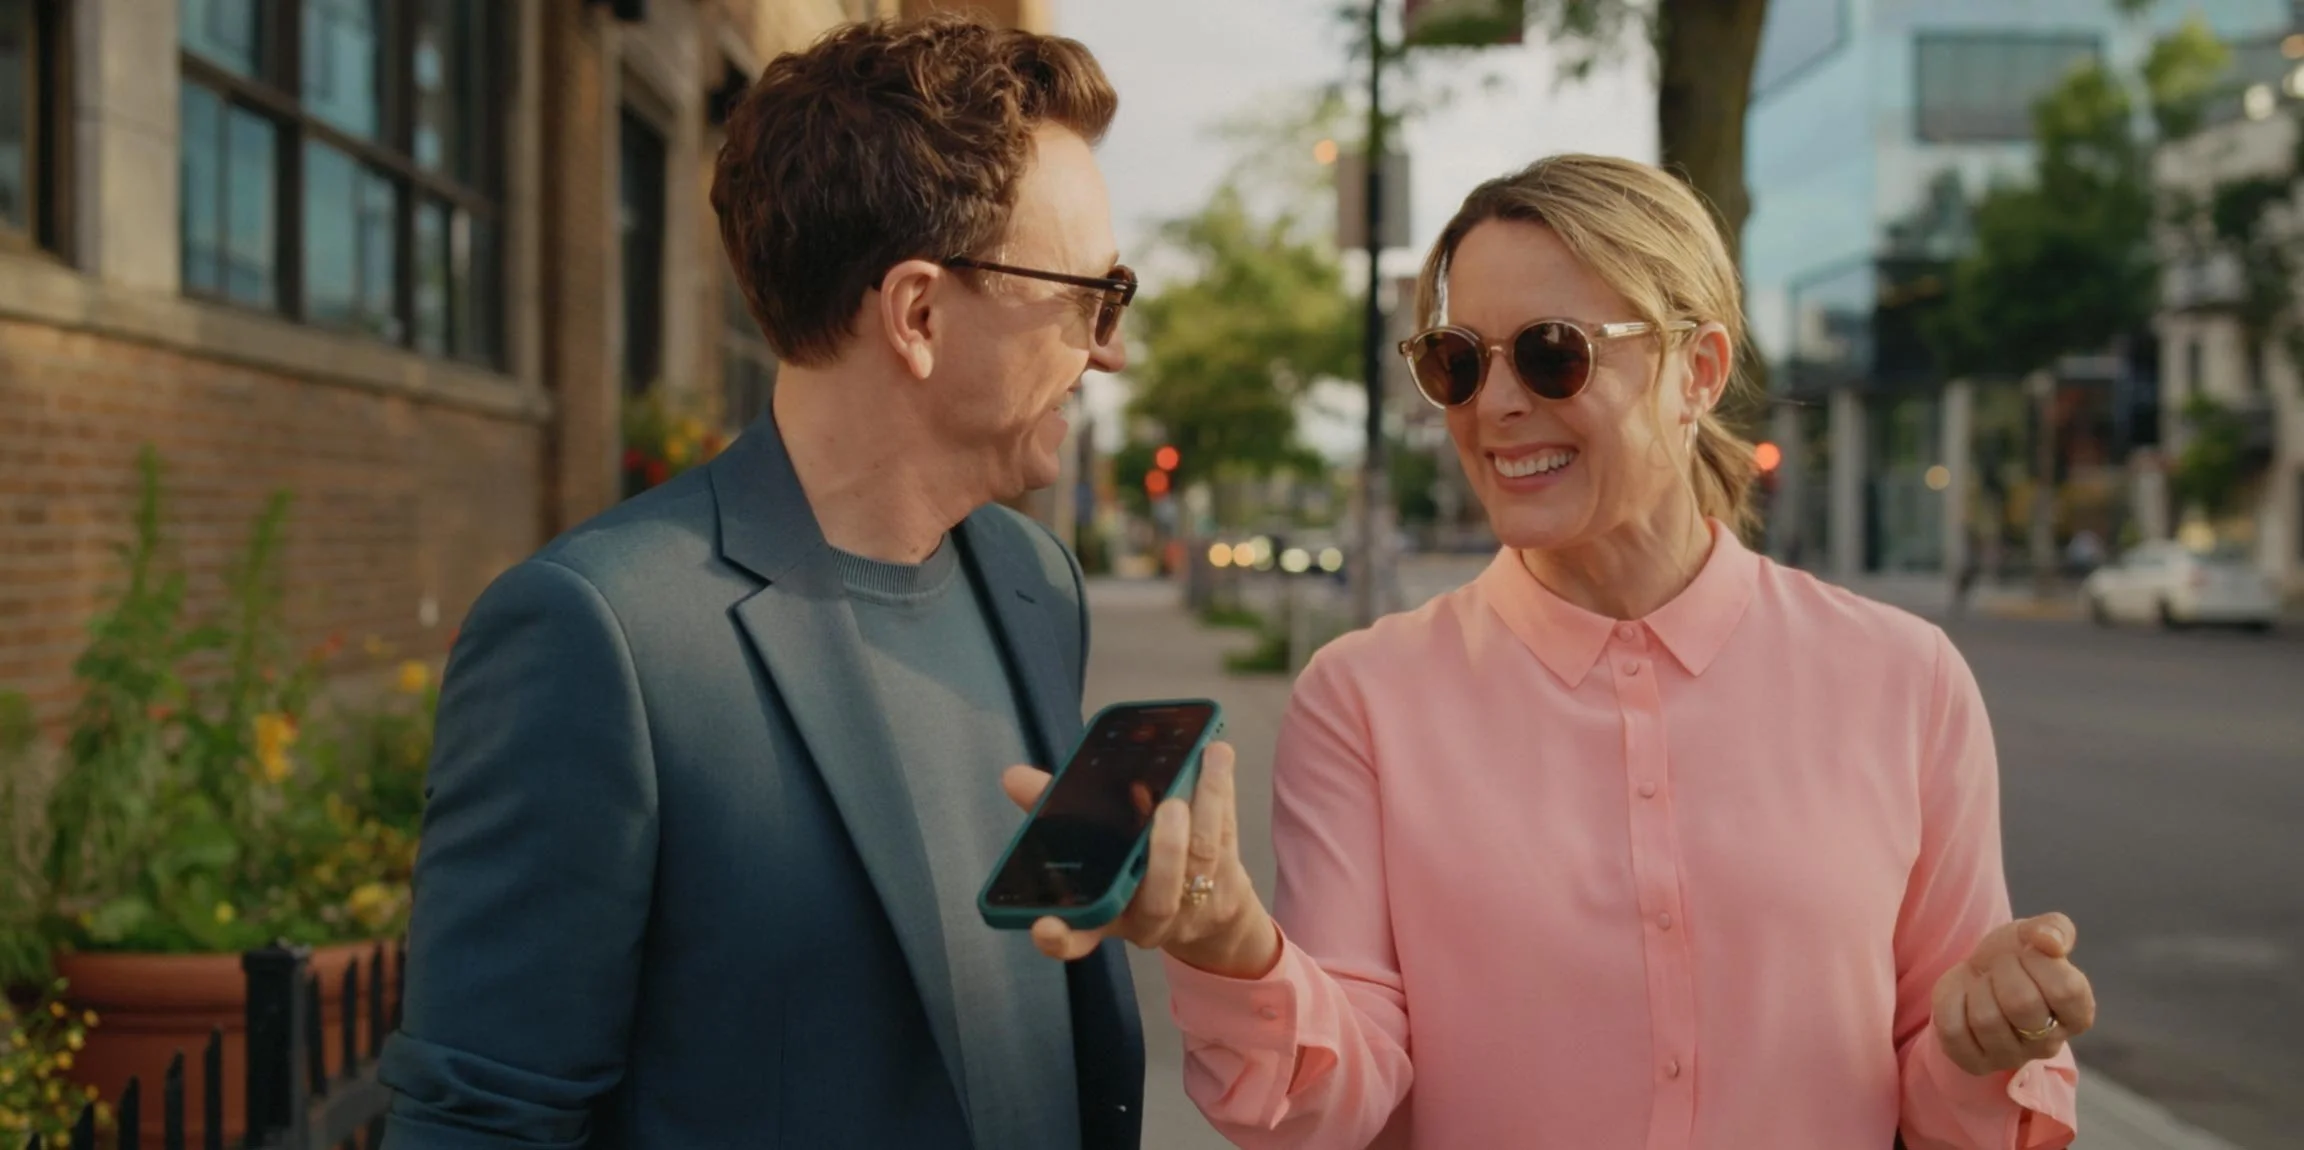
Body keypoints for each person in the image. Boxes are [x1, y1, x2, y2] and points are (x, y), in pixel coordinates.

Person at [1004, 155, 2095, 1149]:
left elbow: (1947, 1106)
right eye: (1456, 362)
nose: (1496, 405)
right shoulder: (1364, 698)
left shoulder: (1905, 681)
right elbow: (1341, 1111)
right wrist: (1234, 946)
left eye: (1552, 354)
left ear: (1699, 370)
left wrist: (1985, 1041)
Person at [379, 15, 1145, 1148]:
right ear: (919, 315)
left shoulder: (1036, 582)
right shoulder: (601, 634)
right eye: (1091, 293)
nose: (1109, 348)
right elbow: (484, 1121)